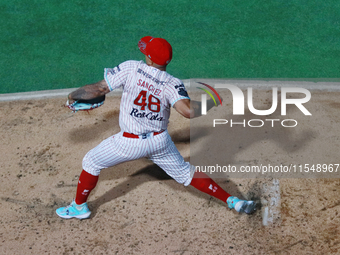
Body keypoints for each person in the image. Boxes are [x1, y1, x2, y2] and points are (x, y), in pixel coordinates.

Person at [56, 36, 256, 219]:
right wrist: (210, 102)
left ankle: (79, 207)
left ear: (150, 59)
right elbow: (188, 111)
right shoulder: (172, 83)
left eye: (146, 52)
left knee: (91, 162)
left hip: (129, 143)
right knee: (186, 173)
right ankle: (235, 202)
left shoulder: (131, 68)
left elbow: (99, 89)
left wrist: (74, 95)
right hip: (160, 142)